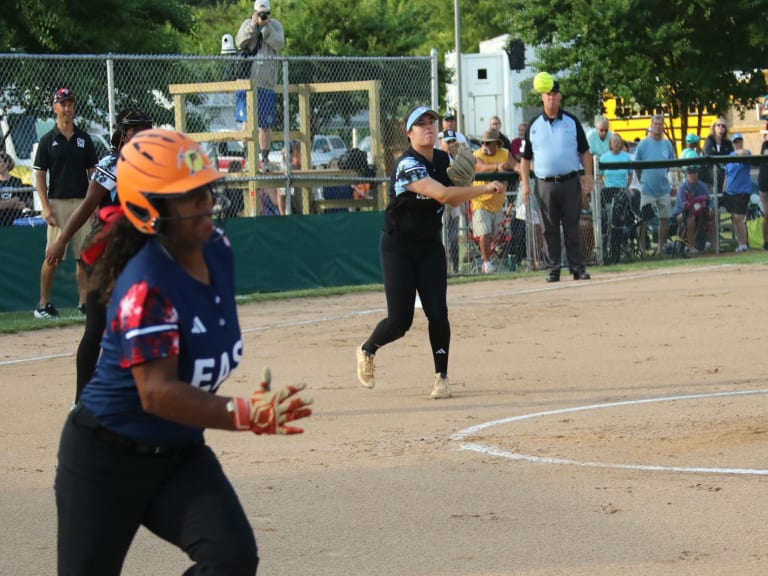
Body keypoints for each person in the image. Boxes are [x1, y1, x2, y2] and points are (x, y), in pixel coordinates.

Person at [55, 128, 313, 575]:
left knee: (231, 559)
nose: (205, 202)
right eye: (187, 196)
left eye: (205, 189)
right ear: (146, 209)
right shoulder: (145, 286)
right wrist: (246, 413)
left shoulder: (217, 249)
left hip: (178, 453)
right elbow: (157, 392)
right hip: (105, 460)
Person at [355, 106, 504, 399]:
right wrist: (484, 188)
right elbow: (443, 195)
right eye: (420, 123)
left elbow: (453, 200)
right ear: (409, 133)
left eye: (431, 122)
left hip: (429, 247)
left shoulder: (443, 160)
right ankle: (367, 349)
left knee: (438, 313)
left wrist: (464, 182)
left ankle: (441, 378)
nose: (428, 127)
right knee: (400, 323)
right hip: (398, 248)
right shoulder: (407, 164)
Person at [45, 109, 154, 402]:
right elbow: (87, 205)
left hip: (135, 253)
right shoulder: (112, 163)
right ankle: (81, 401)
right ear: (124, 134)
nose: (142, 135)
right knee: (96, 328)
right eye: (136, 130)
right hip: (104, 252)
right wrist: (62, 240)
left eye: (147, 129)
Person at [520, 77, 593, 282]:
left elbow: (585, 152)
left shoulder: (571, 121)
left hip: (570, 181)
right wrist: (525, 184)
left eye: (555, 94)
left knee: (572, 226)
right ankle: (553, 268)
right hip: (544, 184)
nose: (551, 98)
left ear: (560, 97)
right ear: (542, 98)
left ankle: (577, 267)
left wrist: (588, 176)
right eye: (548, 95)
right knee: (549, 228)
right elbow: (525, 159)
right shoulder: (534, 125)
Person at [33, 87, 98, 319]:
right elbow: (40, 175)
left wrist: (95, 204)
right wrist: (45, 207)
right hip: (57, 204)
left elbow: (93, 174)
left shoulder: (84, 139)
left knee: (85, 256)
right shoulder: (47, 141)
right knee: (53, 255)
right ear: (55, 108)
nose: (67, 108)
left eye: (70, 104)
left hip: (83, 203)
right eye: (63, 104)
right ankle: (43, 304)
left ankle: (84, 303)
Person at [235, 0, 285, 171]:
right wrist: (253, 25)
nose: (263, 16)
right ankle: (248, 158)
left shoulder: (275, 26)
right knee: (246, 122)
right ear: (254, 12)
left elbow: (279, 44)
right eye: (260, 13)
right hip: (247, 83)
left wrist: (266, 28)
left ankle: (264, 159)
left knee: (265, 125)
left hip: (267, 84)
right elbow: (240, 42)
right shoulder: (247, 24)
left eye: (266, 14)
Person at [472, 129, 518, 273]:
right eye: (483, 143)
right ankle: (486, 263)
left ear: (496, 144)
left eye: (488, 143)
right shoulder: (477, 154)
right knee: (484, 233)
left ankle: (488, 259)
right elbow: (479, 168)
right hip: (480, 202)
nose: (484, 146)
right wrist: (498, 167)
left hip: (497, 203)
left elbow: (515, 165)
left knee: (493, 235)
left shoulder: (504, 153)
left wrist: (521, 172)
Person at [634, 114, 676, 253]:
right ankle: (642, 248)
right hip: (647, 189)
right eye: (655, 124)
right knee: (643, 219)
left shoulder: (667, 144)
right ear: (651, 125)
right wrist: (642, 180)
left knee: (664, 219)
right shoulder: (643, 144)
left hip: (663, 189)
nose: (658, 127)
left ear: (663, 126)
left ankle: (660, 248)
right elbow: (637, 166)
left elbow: (669, 165)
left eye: (660, 124)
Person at [673, 165, 714, 254]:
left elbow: (709, 201)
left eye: (694, 173)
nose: (692, 175)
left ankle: (714, 247)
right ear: (686, 175)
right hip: (681, 213)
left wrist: (711, 208)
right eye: (690, 173)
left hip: (699, 212)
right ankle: (691, 247)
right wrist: (697, 204)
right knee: (691, 217)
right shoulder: (682, 187)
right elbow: (684, 207)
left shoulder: (702, 186)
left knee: (715, 214)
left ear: (697, 174)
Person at [723, 133, 752, 252]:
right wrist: (723, 191)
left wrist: (737, 153)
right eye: (735, 142)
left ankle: (744, 244)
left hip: (742, 191)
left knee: (739, 217)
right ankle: (740, 244)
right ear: (733, 144)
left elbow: (744, 154)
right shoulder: (729, 156)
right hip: (730, 191)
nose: (738, 143)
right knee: (734, 218)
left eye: (740, 141)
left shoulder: (747, 153)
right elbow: (726, 175)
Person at [702, 116, 734, 193]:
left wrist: (716, 154)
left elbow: (732, 156)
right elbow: (709, 154)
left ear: (725, 129)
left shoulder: (728, 143)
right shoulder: (709, 140)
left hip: (724, 171)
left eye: (723, 126)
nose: (721, 127)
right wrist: (722, 158)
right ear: (714, 127)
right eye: (718, 125)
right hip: (709, 170)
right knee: (719, 174)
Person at [0, 151, 28, 226]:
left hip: (15, 217)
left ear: (6, 163)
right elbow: (15, 201)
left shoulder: (17, 181)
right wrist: (12, 202)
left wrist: (4, 203)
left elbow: (21, 204)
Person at [758, 124, 768, 250]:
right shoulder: (765, 144)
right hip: (765, 184)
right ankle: (766, 242)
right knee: (767, 214)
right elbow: (766, 152)